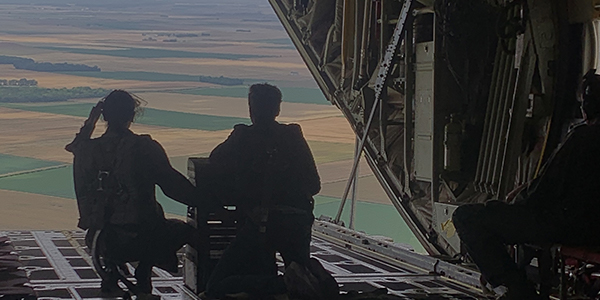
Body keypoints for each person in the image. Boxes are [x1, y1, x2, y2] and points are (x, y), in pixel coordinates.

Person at [453, 70, 600, 300]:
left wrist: (512, 205)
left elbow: (543, 191)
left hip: (571, 226)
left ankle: (519, 291)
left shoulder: (583, 138)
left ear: (587, 107)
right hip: (591, 228)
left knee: (467, 218)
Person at [203, 83, 334, 299]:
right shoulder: (293, 135)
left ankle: (283, 284)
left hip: (259, 225)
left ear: (251, 108)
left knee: (216, 286)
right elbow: (314, 185)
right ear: (277, 110)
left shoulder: (242, 136)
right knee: (300, 275)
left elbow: (215, 160)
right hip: (298, 224)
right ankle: (309, 279)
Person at [65, 90, 200, 296]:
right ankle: (144, 273)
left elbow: (76, 146)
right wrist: (209, 203)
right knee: (186, 231)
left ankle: (114, 272)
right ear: (133, 116)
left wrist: (90, 123)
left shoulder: (85, 151)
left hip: (99, 241)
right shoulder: (144, 148)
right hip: (143, 239)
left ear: (104, 116)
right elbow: (175, 188)